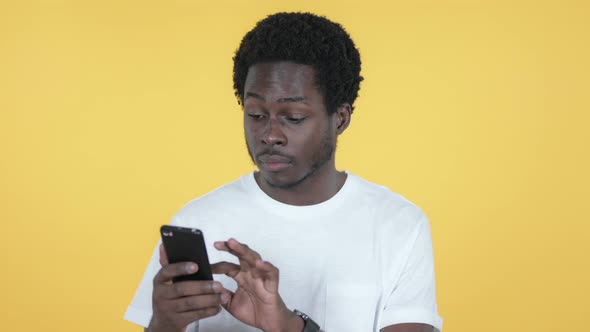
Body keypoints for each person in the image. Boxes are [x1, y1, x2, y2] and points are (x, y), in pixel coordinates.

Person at [125, 12, 443, 332]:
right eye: (256, 114)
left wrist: (289, 326)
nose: (269, 135)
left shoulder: (398, 225)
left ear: (341, 118)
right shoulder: (197, 221)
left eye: (292, 117)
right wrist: (163, 324)